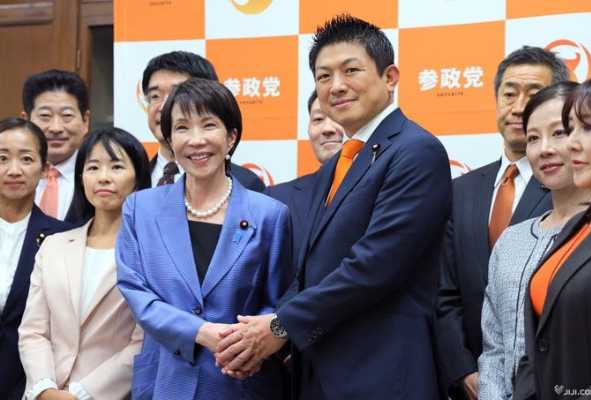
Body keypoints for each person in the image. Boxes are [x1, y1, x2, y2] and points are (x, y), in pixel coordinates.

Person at [214, 14, 452, 400]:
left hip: (382, 375)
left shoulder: (415, 151)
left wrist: (279, 327)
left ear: (390, 77)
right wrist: (263, 337)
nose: (336, 86)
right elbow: (309, 269)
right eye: (324, 76)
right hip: (319, 373)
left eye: (351, 70)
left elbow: (373, 266)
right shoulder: (341, 161)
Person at [116, 78, 293, 399]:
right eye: (182, 128)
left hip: (239, 379)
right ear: (170, 139)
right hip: (165, 380)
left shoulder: (270, 214)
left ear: (231, 137)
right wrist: (201, 332)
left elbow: (277, 299)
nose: (196, 140)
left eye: (208, 125)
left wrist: (249, 347)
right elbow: (136, 291)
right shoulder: (140, 209)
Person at [435, 46, 569, 400]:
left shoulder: (570, 191)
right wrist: (463, 369)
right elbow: (443, 292)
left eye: (534, 94)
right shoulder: (460, 190)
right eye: (509, 93)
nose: (519, 106)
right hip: (469, 382)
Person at [478, 82, 591, 400]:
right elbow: (494, 348)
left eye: (560, 133)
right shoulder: (511, 240)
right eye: (533, 138)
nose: (544, 149)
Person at [18, 127, 150, 400]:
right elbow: (33, 331)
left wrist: (81, 394)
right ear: (81, 178)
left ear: (137, 178)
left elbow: (144, 341)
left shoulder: (150, 252)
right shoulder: (53, 246)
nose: (103, 177)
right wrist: (44, 388)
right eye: (93, 167)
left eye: (116, 167)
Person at [513, 76, 591, 400]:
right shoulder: (579, 226)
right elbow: (538, 346)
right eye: (571, 129)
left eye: (587, 128)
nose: (572, 143)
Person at [0, 118, 69, 400]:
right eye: (2, 158)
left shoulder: (63, 238)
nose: (14, 170)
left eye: (26, 159)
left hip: (29, 387)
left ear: (43, 169)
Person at [141, 50, 265, 191]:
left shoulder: (246, 184)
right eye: (155, 96)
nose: (164, 107)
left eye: (177, 94)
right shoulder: (133, 179)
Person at [265, 90, 343, 264]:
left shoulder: (384, 189)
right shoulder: (277, 199)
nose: (327, 129)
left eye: (337, 117)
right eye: (318, 119)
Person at [21, 69, 90, 221]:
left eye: (67, 116)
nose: (56, 128)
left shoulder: (99, 178)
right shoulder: (10, 175)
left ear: (85, 121)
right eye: (45, 116)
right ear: (26, 120)